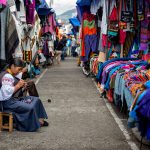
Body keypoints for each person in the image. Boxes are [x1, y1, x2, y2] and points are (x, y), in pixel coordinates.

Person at [0, 58, 48, 132]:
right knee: (30, 107)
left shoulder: (11, 74)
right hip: (7, 103)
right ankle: (31, 124)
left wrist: (21, 85)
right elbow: (6, 94)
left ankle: (37, 119)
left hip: (13, 100)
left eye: (20, 70)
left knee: (36, 100)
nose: (19, 72)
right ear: (12, 66)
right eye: (19, 69)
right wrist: (18, 85)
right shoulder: (6, 76)